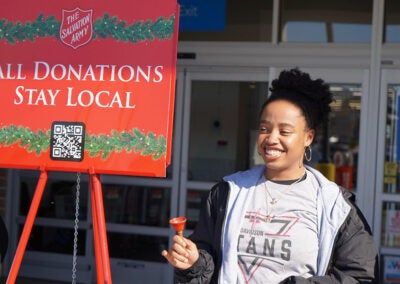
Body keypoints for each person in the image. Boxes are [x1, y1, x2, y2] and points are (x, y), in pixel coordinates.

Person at [162, 68, 379, 283]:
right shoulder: (227, 192)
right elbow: (208, 265)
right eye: (264, 129)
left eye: (284, 132)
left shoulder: (334, 205)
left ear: (308, 137)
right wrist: (194, 263)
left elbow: (360, 277)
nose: (271, 138)